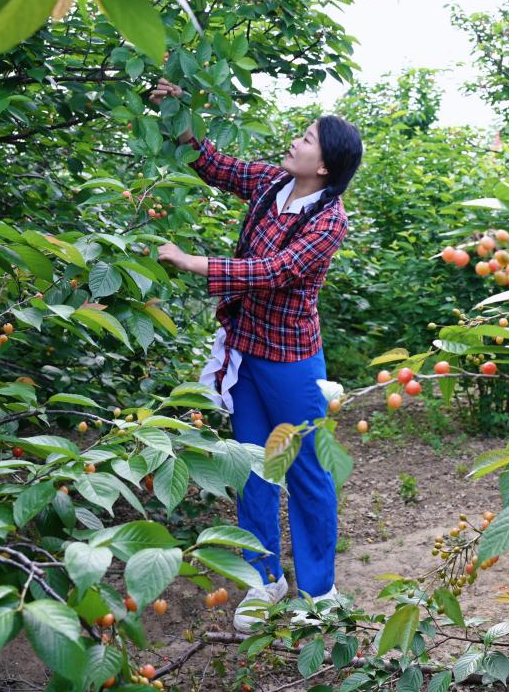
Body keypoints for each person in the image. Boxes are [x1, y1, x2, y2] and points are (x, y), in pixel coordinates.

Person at [148, 79, 363, 632]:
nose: (296, 140)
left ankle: (319, 591)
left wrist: (196, 263)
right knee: (251, 465)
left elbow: (277, 273)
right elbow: (215, 164)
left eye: (308, 138)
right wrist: (178, 107)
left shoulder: (327, 220)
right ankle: (262, 580)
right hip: (246, 350)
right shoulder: (273, 185)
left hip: (291, 361)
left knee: (307, 469)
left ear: (326, 165)